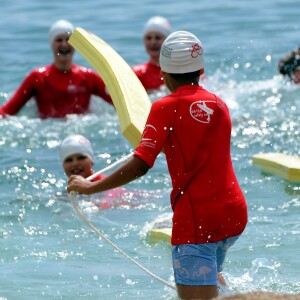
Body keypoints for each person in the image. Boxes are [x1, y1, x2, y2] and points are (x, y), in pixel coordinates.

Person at [67, 31, 248, 300]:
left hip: (197, 221)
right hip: (233, 215)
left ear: (163, 74)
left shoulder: (165, 107)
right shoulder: (219, 104)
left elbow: (141, 164)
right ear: (201, 69)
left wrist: (91, 188)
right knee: (211, 276)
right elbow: (197, 145)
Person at [0, 20, 113, 119]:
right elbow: (8, 110)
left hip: (80, 132)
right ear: (51, 44)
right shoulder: (37, 77)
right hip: (48, 133)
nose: (64, 44)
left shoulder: (89, 77)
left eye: (68, 39)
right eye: (59, 40)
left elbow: (119, 102)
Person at [60, 134, 128, 209]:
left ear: (91, 160)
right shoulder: (68, 192)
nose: (75, 163)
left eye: (81, 158)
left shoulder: (107, 185)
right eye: (69, 160)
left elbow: (110, 203)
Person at [132, 16, 172, 91]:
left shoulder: (179, 72)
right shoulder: (136, 74)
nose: (153, 42)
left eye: (158, 38)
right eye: (148, 38)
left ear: (168, 42)